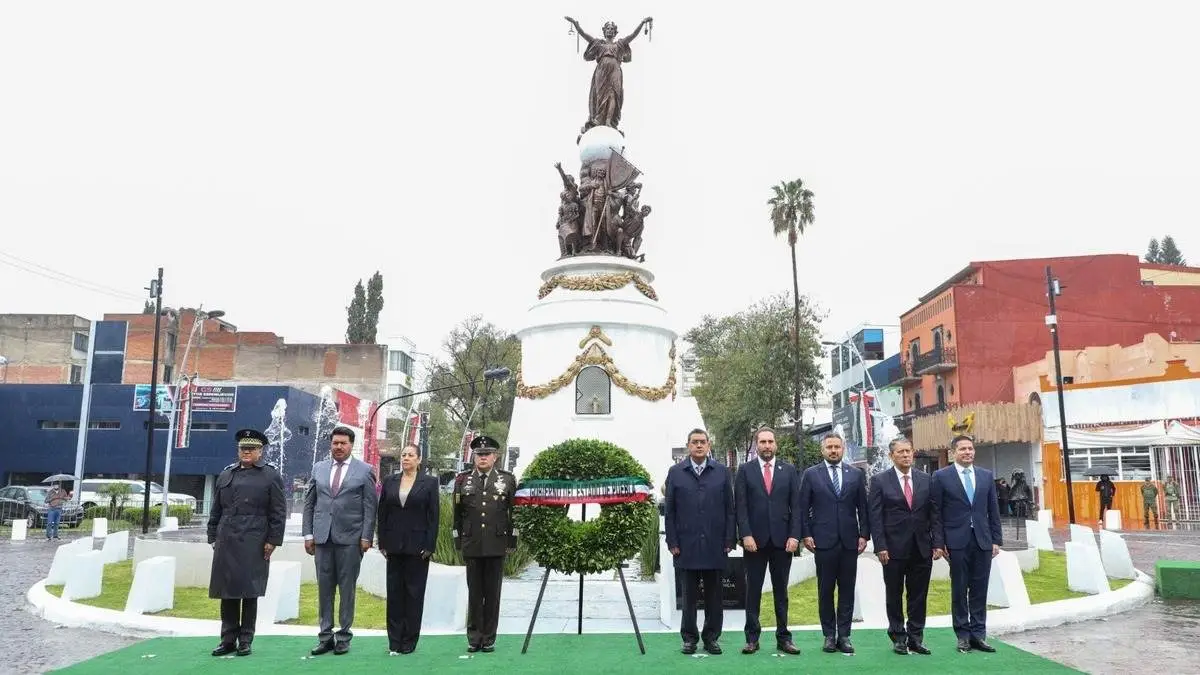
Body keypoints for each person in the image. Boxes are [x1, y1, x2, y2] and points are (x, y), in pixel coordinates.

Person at [207, 429, 287, 657]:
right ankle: (227, 639)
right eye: (243, 448)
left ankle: (245, 640)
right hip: (227, 539)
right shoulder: (226, 474)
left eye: (251, 449)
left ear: (260, 451)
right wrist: (213, 535)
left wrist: (273, 540)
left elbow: (278, 511)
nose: (247, 452)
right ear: (238, 450)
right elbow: (216, 509)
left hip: (255, 539)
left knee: (249, 590)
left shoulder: (270, 476)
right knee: (227, 591)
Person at [303, 425, 379, 656]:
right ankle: (325, 636)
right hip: (322, 539)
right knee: (324, 589)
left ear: (351, 445)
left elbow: (370, 507)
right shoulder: (319, 468)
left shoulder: (365, 470)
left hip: (351, 540)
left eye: (343, 443)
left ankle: (344, 636)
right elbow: (310, 503)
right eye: (335, 443)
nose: (338, 447)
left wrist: (366, 536)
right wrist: (308, 534)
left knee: (347, 590)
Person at [665, 428, 735, 656]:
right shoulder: (675, 473)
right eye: (694, 442)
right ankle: (689, 638)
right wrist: (672, 541)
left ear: (709, 446)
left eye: (702, 442)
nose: (698, 446)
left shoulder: (722, 472)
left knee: (715, 597)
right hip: (686, 545)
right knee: (689, 597)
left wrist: (729, 539)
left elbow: (730, 509)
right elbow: (671, 512)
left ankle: (712, 638)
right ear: (688, 446)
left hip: (716, 544)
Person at [798, 432, 869, 655]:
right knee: (825, 590)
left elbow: (863, 508)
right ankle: (829, 635)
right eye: (829, 447)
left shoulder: (856, 474)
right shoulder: (811, 475)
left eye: (837, 447)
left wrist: (864, 535)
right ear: (823, 450)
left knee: (847, 589)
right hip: (823, 541)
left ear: (843, 449)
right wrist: (806, 534)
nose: (833, 450)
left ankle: (845, 635)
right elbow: (802, 508)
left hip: (849, 541)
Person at [931, 435, 1003, 653]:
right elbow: (936, 513)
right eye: (962, 449)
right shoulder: (941, 476)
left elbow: (993, 510)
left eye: (970, 448)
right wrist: (940, 542)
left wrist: (996, 540)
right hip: (956, 542)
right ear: (953, 452)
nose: (967, 452)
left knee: (980, 589)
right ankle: (962, 635)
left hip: (982, 540)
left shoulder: (985, 476)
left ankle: (978, 635)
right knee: (960, 589)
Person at [868, 437, 939, 656]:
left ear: (913, 453)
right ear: (892, 456)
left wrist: (937, 542)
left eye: (908, 451)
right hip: (892, 548)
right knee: (894, 593)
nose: (906, 455)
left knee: (918, 595)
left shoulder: (926, 480)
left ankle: (916, 637)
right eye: (900, 452)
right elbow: (875, 517)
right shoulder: (880, 481)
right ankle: (898, 636)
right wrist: (880, 546)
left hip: (921, 548)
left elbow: (935, 514)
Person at [733, 427, 801, 655]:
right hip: (755, 542)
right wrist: (746, 534)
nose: (767, 445)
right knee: (753, 591)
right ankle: (752, 638)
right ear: (756, 445)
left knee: (782, 591)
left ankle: (784, 637)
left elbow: (797, 507)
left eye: (770, 441)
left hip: (783, 542)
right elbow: (740, 507)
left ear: (776, 445)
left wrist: (794, 535)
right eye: (762, 442)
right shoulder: (745, 470)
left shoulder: (789, 470)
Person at [453, 435, 517, 653]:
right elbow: (457, 514)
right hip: (472, 543)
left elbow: (513, 512)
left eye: (486, 454)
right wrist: (457, 539)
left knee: (492, 593)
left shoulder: (507, 480)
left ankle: (489, 638)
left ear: (495, 457)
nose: (482, 458)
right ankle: (474, 637)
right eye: (479, 454)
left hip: (496, 543)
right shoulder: (463, 480)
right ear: (474, 456)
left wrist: (513, 539)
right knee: (474, 593)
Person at [377, 444, 440, 654]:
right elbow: (382, 513)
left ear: (419, 459)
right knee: (394, 595)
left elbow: (433, 517)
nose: (406, 458)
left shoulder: (429, 483)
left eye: (411, 455)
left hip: (418, 548)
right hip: (394, 546)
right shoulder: (390, 481)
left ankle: (409, 641)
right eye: (403, 455)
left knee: (414, 595)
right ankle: (394, 641)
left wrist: (429, 545)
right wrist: (382, 542)